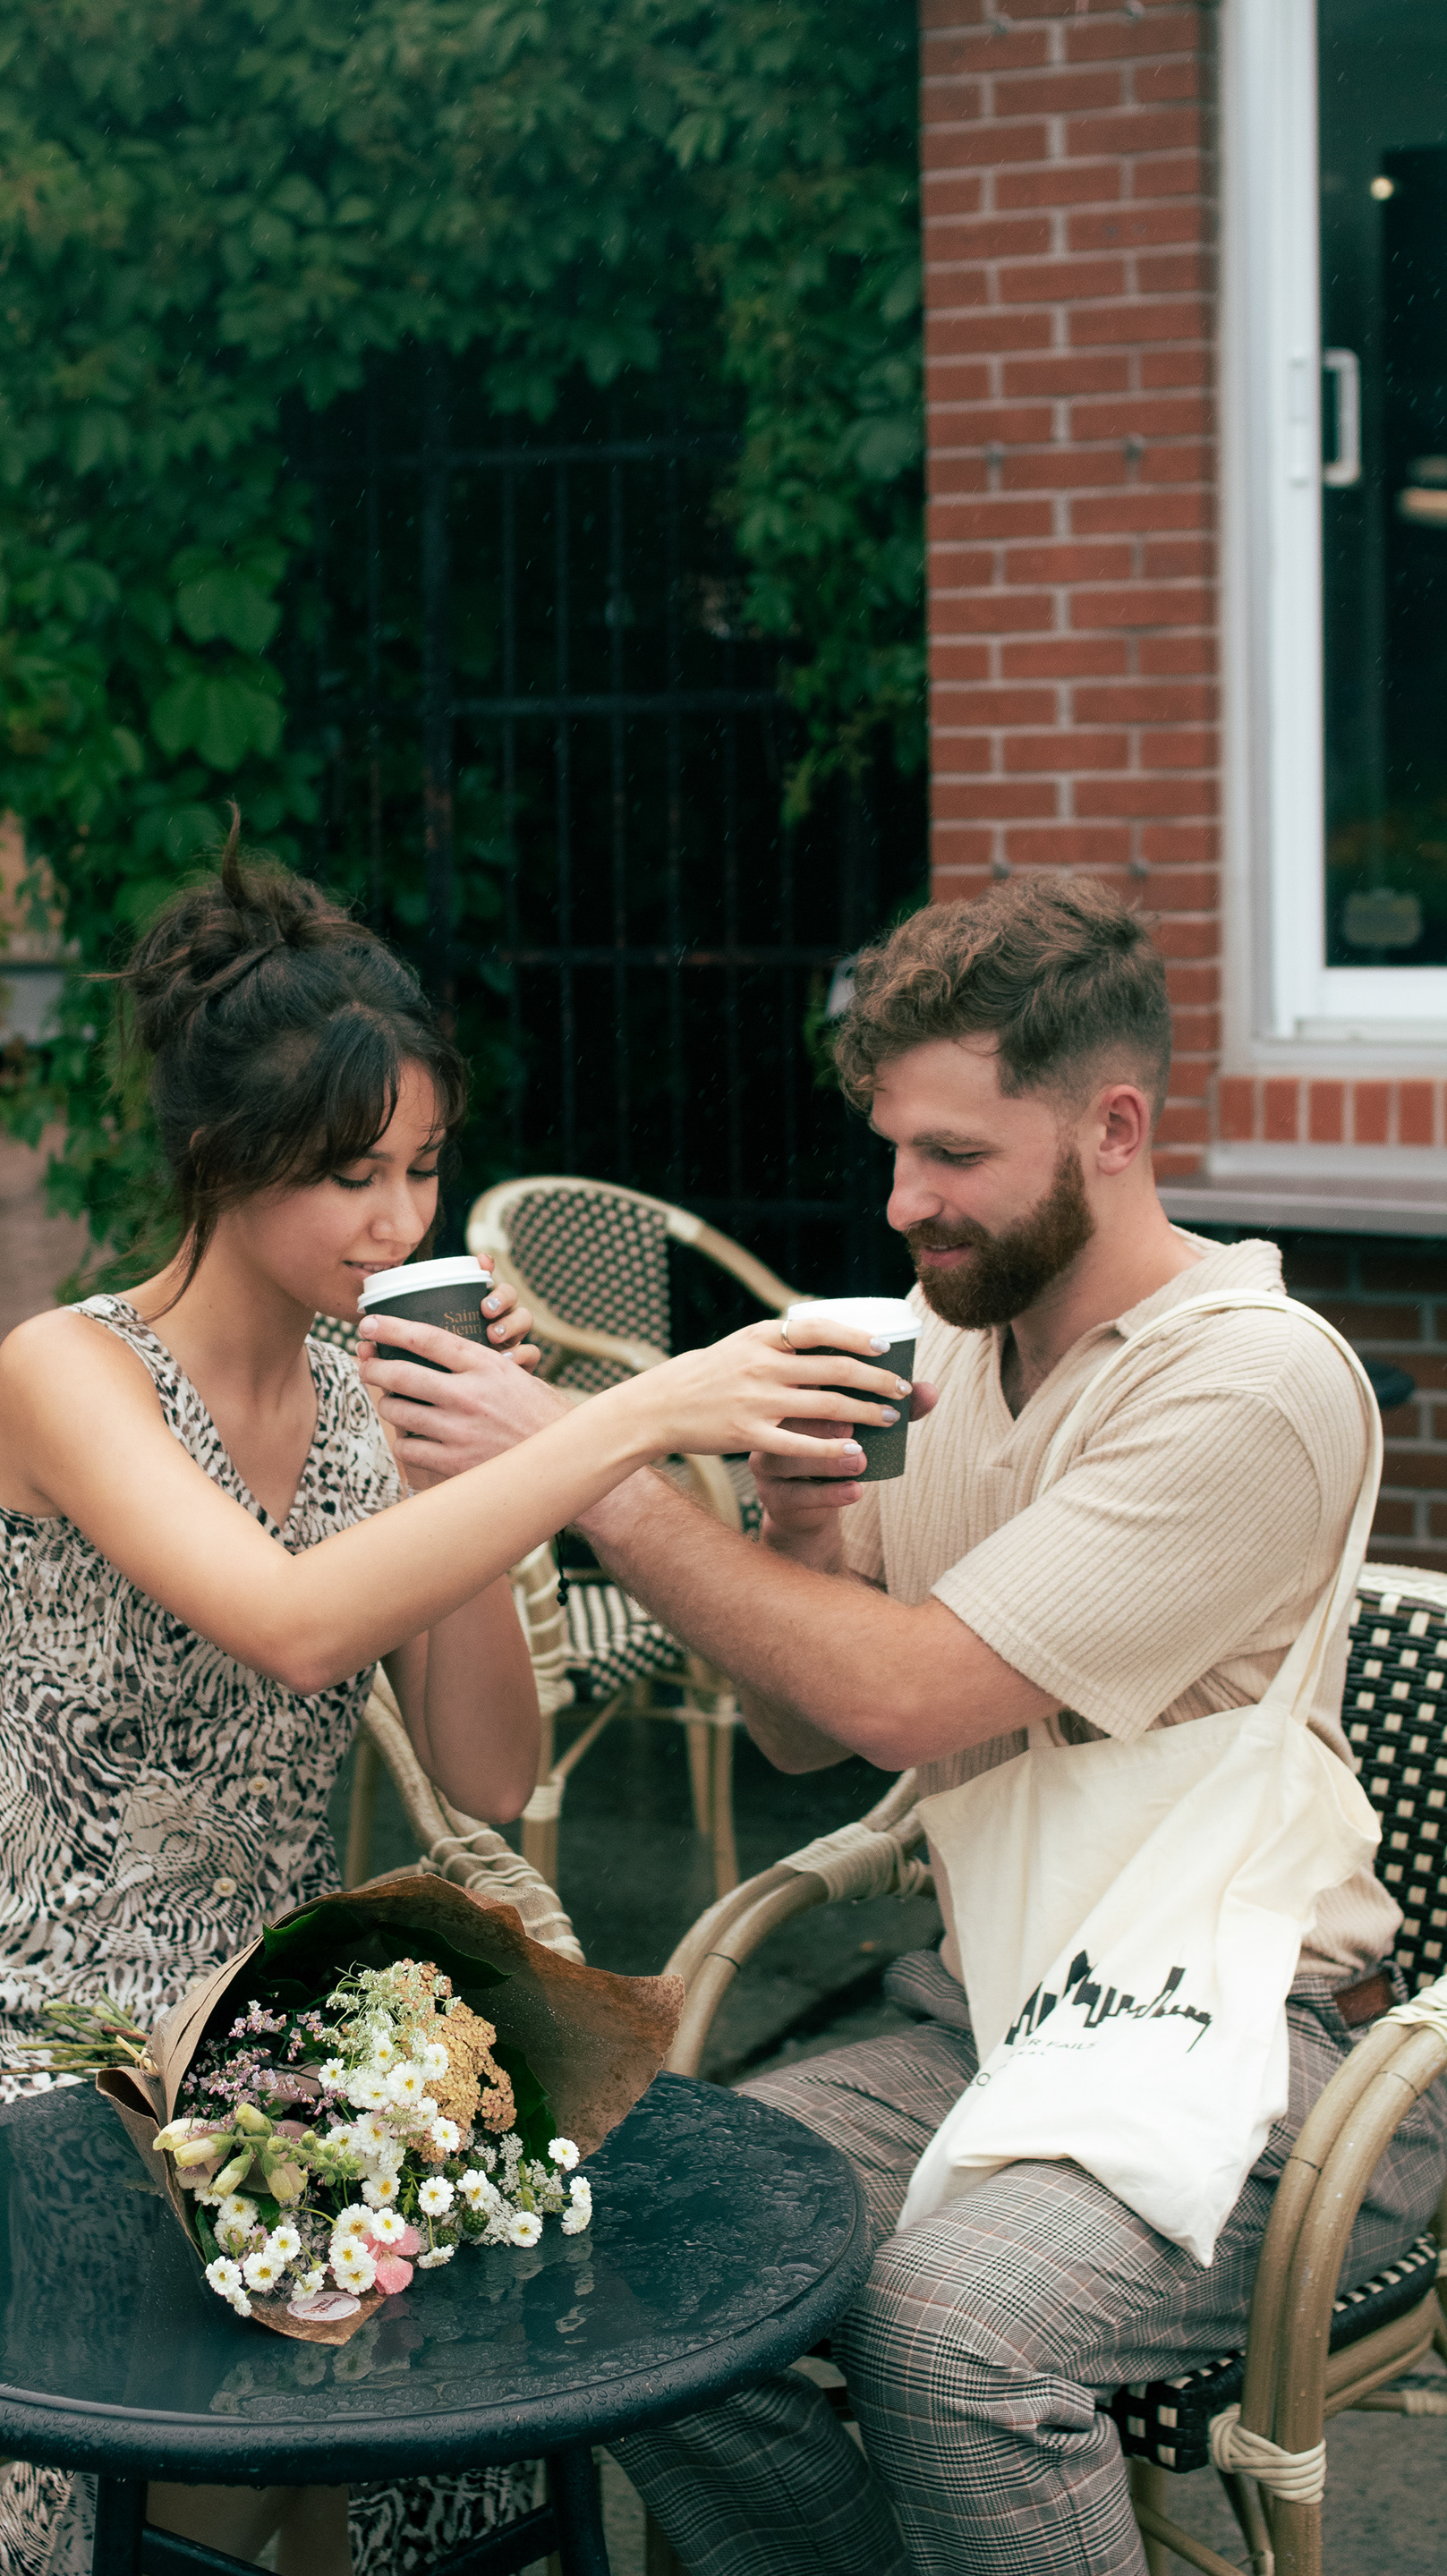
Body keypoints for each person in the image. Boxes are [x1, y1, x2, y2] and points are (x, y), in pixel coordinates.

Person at [0, 832, 899, 2576]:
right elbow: (293, 1630)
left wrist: (475, 1475)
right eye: (352, 1175)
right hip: (18, 2013)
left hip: (270, 2005)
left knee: (470, 2307)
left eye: (423, 1170)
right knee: (196, 2343)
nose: (401, 1224)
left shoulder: (366, 1395)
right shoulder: (72, 1371)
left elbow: (489, 1772)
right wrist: (624, 1420)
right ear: (227, 1159)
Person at [359, 875, 1447, 2576]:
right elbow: (818, 1746)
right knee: (615, 2241)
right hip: (996, 2008)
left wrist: (587, 1475)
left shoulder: (1252, 1381)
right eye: (893, 1149)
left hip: (1260, 2045)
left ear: (1113, 1129)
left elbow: (905, 1691)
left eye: (953, 1154)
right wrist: (801, 1536)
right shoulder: (947, 1336)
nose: (902, 1202)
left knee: (952, 2330)